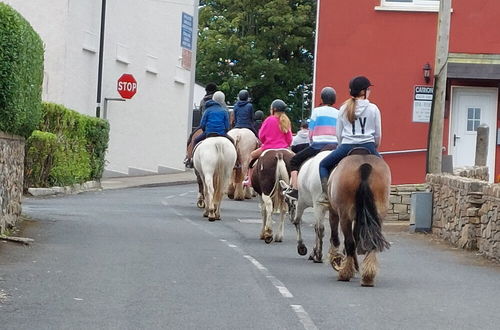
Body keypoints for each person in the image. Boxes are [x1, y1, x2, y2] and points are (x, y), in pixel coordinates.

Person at [317, 76, 382, 204]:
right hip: (368, 146)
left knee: (323, 165)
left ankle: (325, 196)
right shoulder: (373, 109)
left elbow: (339, 134)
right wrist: (374, 147)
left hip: (346, 146)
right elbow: (378, 134)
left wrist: (342, 146)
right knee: (383, 169)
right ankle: (382, 196)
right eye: (368, 89)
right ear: (363, 92)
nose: (370, 91)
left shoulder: (343, 108)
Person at [284, 87, 339, 200]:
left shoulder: (316, 111)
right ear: (334, 99)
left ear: (322, 99)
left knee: (294, 161)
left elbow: (311, 131)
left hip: (318, 145)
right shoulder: (338, 113)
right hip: (335, 146)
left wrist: (311, 142)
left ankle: (295, 189)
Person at [242, 99, 293, 187]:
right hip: (284, 148)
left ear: (274, 110)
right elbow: (289, 139)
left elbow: (261, 136)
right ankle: (293, 184)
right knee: (295, 162)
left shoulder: (269, 120)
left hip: (268, 147)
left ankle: (249, 180)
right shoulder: (286, 121)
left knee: (252, 156)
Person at [184, 91, 233, 166]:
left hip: (209, 133)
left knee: (195, 140)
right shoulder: (224, 111)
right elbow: (227, 126)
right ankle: (236, 162)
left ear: (213, 99)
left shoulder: (207, 110)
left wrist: (205, 131)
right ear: (223, 100)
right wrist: (224, 132)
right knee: (232, 141)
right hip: (221, 134)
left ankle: (191, 160)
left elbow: (202, 124)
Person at [184, 83, 218, 167]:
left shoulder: (203, 101)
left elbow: (201, 113)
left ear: (207, 91)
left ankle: (189, 158)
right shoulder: (219, 100)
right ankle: (236, 161)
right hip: (219, 128)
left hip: (206, 126)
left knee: (192, 138)